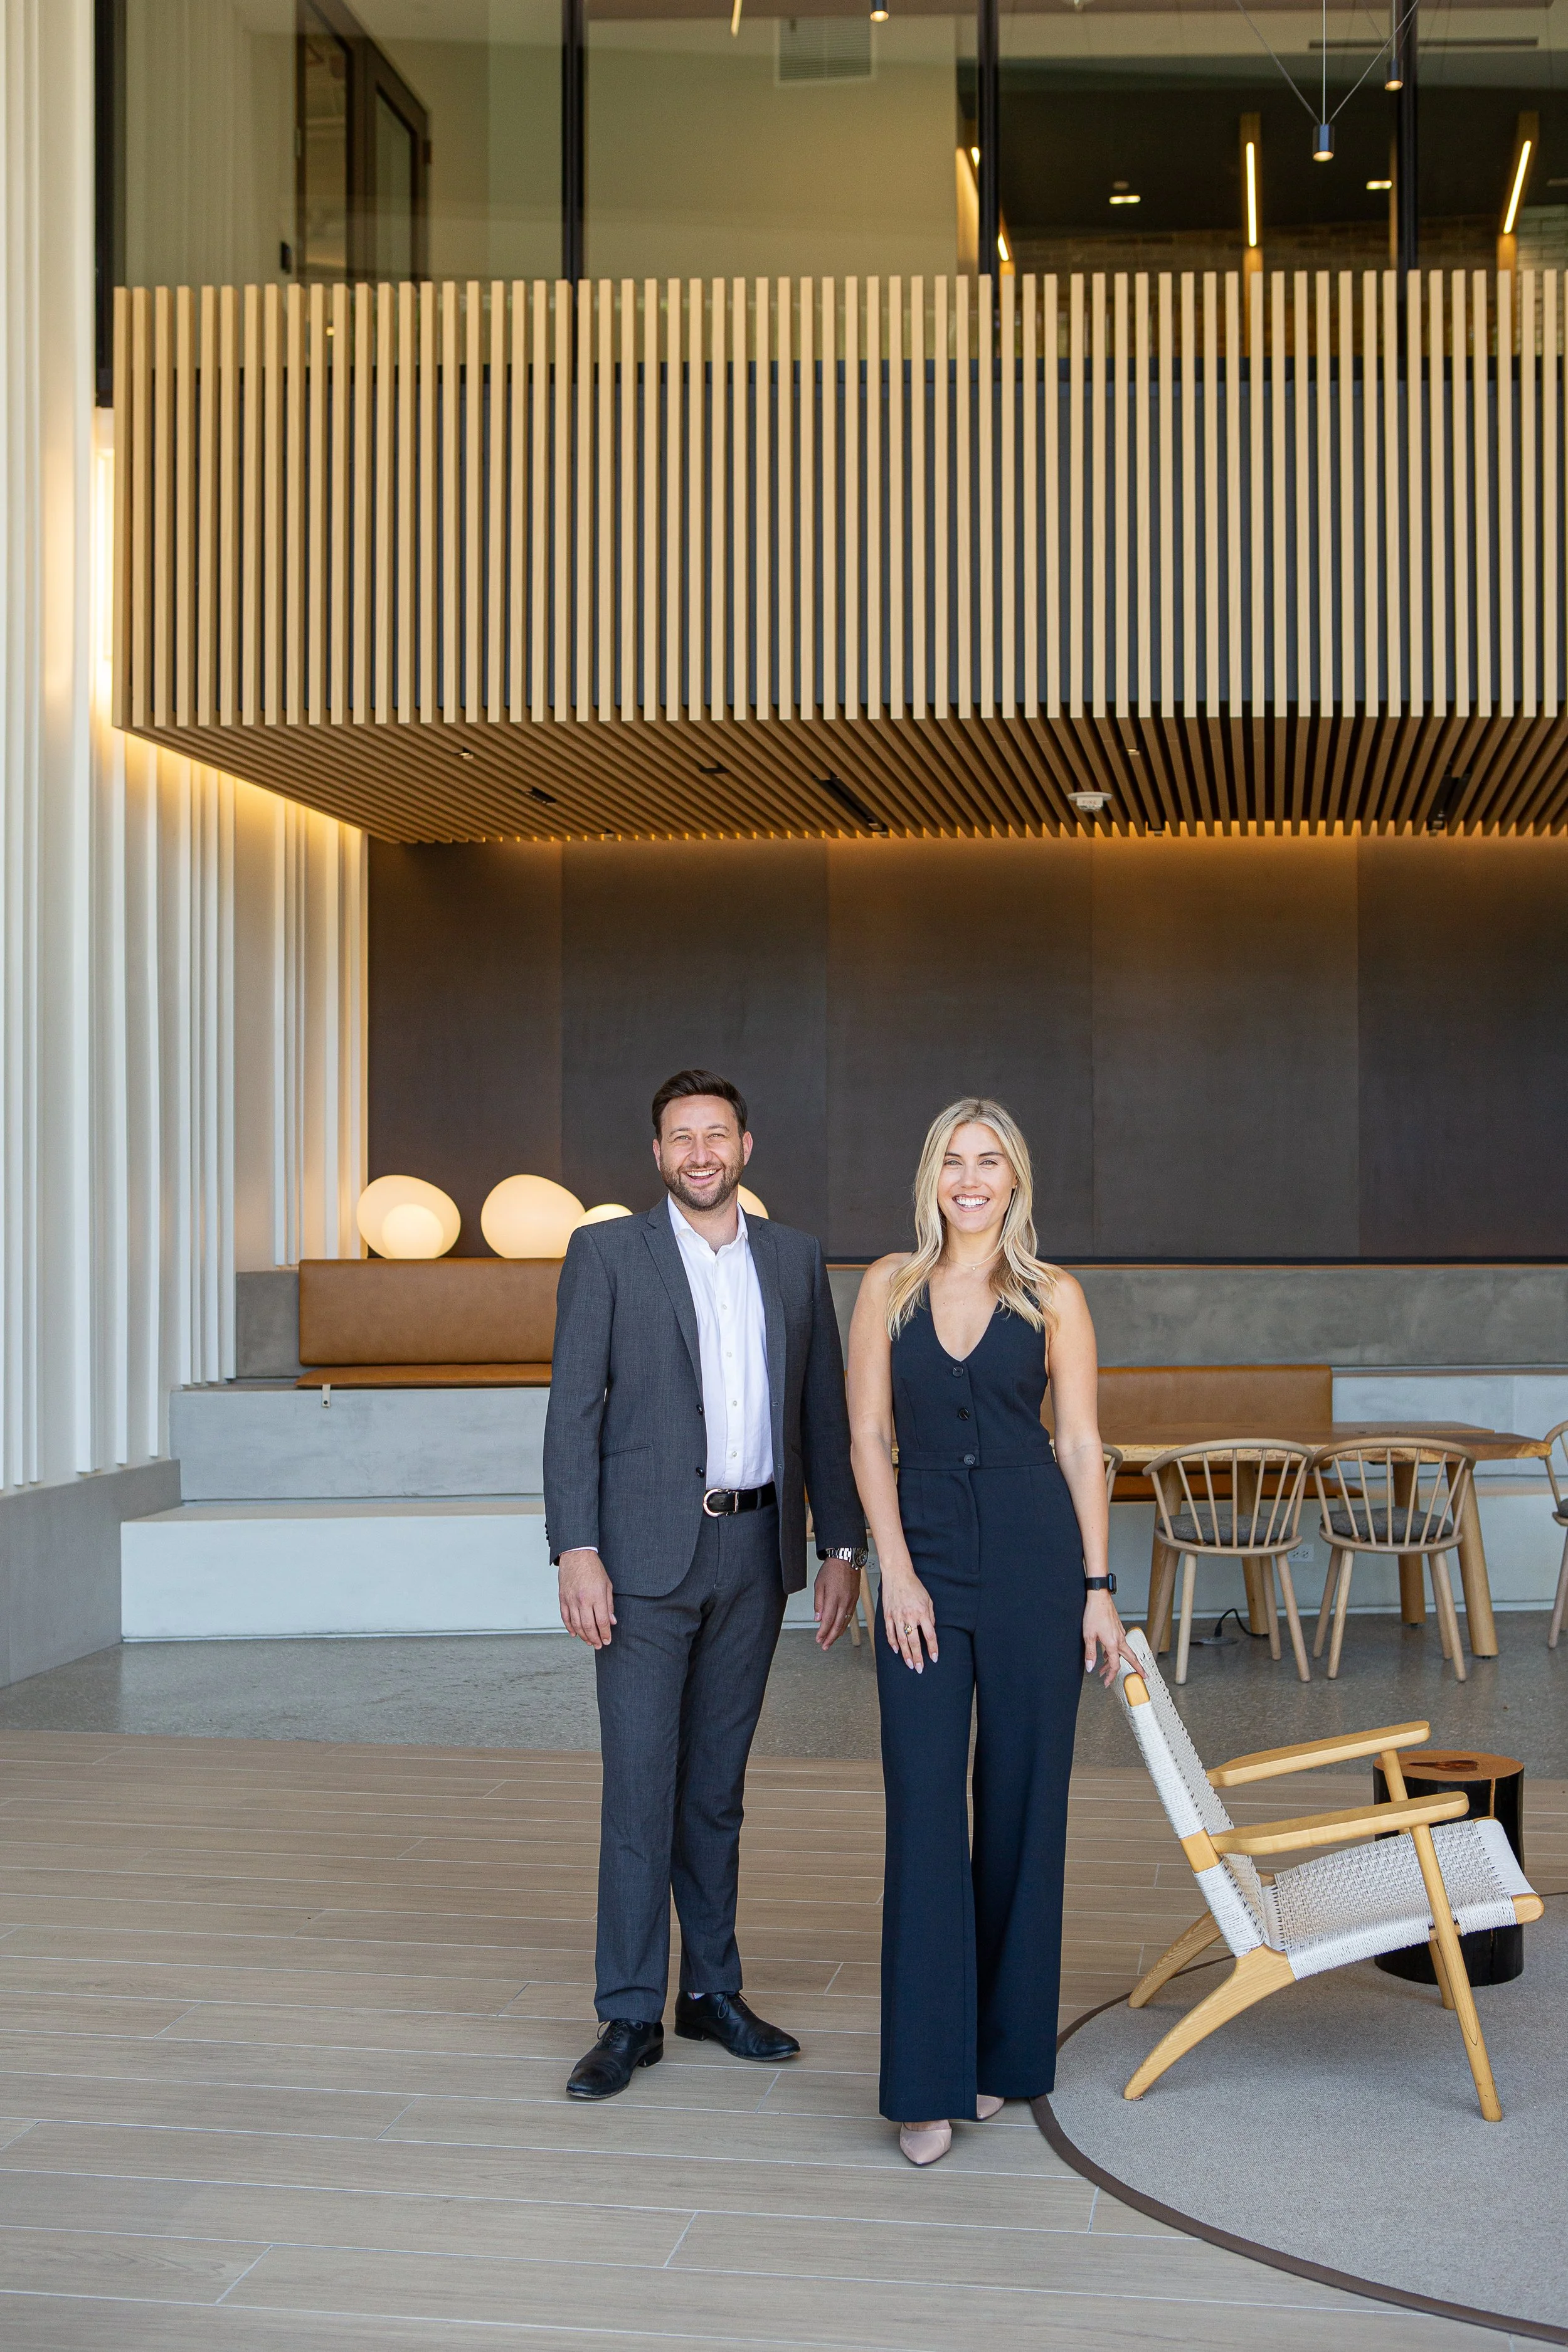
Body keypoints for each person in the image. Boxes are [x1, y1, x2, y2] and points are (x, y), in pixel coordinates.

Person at [544, 1069, 867, 2101]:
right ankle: (630, 2009)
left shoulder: (793, 1257)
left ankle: (711, 1990)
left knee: (716, 1791)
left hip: (756, 1550)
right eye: (679, 1136)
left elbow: (823, 1411)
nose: (698, 1152)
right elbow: (573, 1412)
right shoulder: (606, 1254)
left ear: (745, 1145)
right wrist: (574, 1547)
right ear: (656, 1154)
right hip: (638, 1562)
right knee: (640, 1786)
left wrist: (842, 1548)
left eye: (714, 1134)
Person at [846, 1096, 1135, 2166]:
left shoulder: (1056, 1295)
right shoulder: (887, 1285)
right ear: (932, 1177)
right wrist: (897, 1572)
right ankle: (923, 2082)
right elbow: (870, 1433)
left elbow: (1081, 1441)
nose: (971, 1179)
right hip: (923, 1557)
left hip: (1032, 1563)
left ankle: (1002, 2057)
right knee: (925, 1813)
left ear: (1016, 1180)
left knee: (1021, 1807)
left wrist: (1098, 1586)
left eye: (991, 1162)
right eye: (954, 1161)